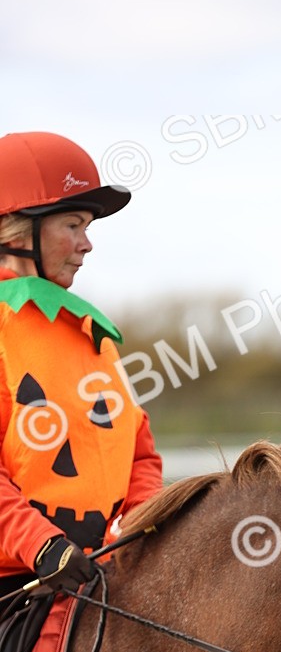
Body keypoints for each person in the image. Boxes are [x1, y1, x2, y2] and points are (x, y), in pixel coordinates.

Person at [0, 131, 163, 601]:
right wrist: (42, 546)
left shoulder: (91, 330)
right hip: (17, 578)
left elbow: (140, 453)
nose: (86, 244)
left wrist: (140, 526)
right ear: (15, 227)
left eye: (87, 227)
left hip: (97, 573)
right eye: (73, 225)